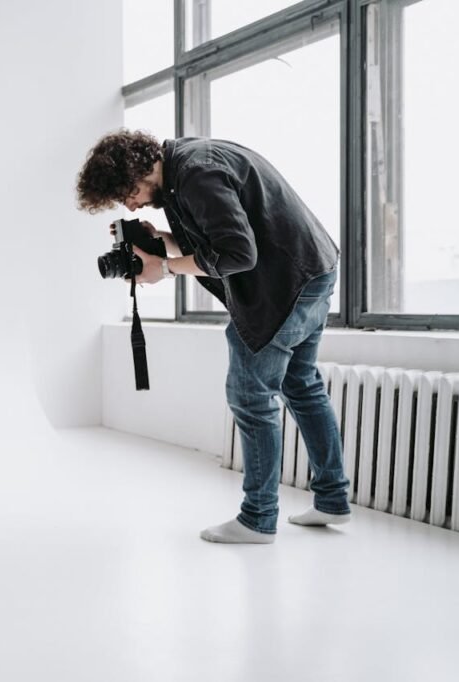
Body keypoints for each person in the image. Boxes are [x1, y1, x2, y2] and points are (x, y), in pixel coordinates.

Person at [75, 129, 351, 544]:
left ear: (137, 170)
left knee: (250, 396)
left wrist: (165, 269)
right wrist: (162, 242)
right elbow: (219, 236)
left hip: (286, 283)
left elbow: (238, 254)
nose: (129, 204)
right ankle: (332, 500)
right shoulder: (184, 166)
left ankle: (258, 519)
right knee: (301, 383)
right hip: (313, 269)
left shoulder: (196, 174)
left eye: (126, 194)